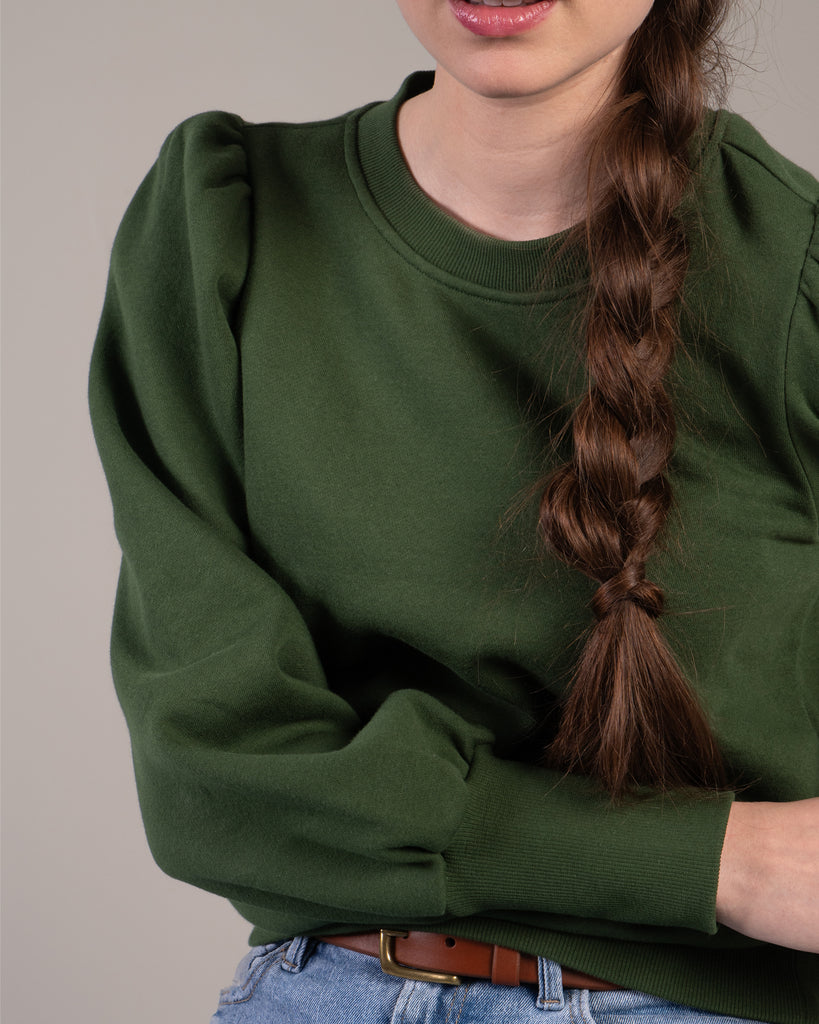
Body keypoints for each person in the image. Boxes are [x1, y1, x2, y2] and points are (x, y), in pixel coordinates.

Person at [89, 1, 819, 1022]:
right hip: (324, 992)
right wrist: (719, 863)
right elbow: (212, 779)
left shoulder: (797, 268)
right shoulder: (224, 225)